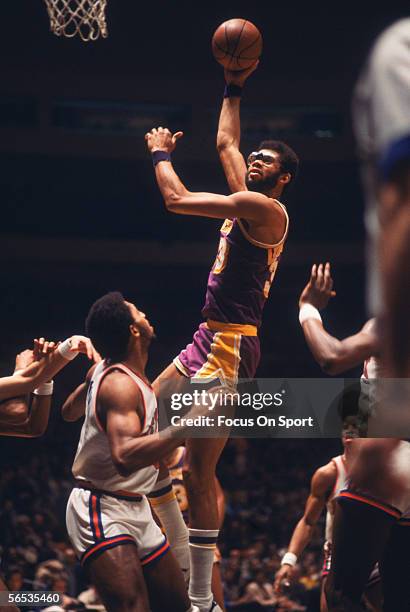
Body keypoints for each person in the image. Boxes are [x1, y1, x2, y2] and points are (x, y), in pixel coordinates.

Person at [146, 60, 299, 612]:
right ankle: (179, 548)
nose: (253, 160)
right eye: (255, 157)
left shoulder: (264, 209)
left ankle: (200, 594)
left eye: (267, 161)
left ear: (281, 179)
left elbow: (177, 200)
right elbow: (226, 141)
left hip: (231, 346)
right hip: (205, 336)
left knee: (198, 469)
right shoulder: (249, 199)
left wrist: (160, 151)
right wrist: (234, 85)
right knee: (147, 416)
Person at [63, 292, 203, 612]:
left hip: (135, 505)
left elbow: (69, 412)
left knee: (176, 605)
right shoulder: (120, 385)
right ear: (133, 331)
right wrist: (186, 426)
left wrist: (91, 393)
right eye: (138, 312)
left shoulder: (105, 372)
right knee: (131, 606)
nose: (145, 314)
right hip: (100, 506)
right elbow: (124, 456)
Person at [298, 262, 410, 611]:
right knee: (398, 597)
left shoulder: (394, 323)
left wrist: (308, 308)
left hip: (387, 459)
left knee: (342, 592)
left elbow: (331, 357)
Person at [273, 419, 382, 611]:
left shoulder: (386, 471)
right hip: (338, 555)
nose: (350, 431)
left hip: (378, 554)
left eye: (357, 426)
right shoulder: (328, 473)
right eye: (346, 426)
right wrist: (289, 561)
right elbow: (308, 521)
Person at [158, 447, 226, 610]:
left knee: (214, 601)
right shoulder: (149, 459)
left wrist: (211, 532)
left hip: (194, 533)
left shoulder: (187, 455)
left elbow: (218, 497)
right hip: (163, 539)